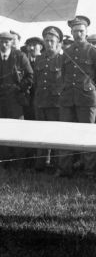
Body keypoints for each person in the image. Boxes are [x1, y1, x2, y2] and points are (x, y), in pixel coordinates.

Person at [0, 31, 33, 164]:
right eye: (2, 42)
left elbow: (30, 76)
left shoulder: (20, 57)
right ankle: (2, 162)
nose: (4, 44)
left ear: (11, 43)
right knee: (0, 131)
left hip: (16, 101)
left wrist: (19, 88)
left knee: (17, 131)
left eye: (7, 42)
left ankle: (18, 162)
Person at [58, 15, 96, 177]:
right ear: (71, 33)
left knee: (87, 135)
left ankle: (89, 171)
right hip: (68, 98)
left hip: (86, 99)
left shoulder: (92, 51)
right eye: (75, 31)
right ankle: (65, 169)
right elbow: (63, 74)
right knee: (66, 133)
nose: (78, 34)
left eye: (81, 31)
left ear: (86, 32)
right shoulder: (66, 52)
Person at [33, 26, 64, 171]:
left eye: (52, 41)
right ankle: (41, 164)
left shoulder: (62, 59)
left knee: (56, 134)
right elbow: (36, 81)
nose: (49, 43)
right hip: (40, 102)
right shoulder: (39, 59)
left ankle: (57, 165)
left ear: (58, 42)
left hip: (56, 103)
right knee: (40, 133)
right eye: (46, 41)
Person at [24, 36, 45, 120]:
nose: (31, 48)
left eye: (34, 45)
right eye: (29, 45)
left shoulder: (45, 61)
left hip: (42, 99)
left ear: (40, 47)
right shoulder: (25, 62)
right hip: (28, 101)